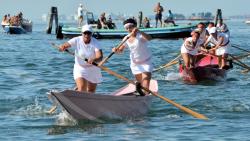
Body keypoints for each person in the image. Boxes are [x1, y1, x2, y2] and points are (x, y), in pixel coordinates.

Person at [112, 18, 153, 94]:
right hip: (135, 64)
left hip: (146, 62)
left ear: (135, 26)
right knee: (140, 84)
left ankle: (146, 96)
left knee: (146, 80)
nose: (129, 30)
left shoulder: (140, 35)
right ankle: (141, 95)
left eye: (130, 27)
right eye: (126, 28)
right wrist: (115, 50)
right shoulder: (126, 38)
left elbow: (150, 38)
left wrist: (139, 31)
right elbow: (120, 50)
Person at [59, 24, 103, 93]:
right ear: (82, 33)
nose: (87, 35)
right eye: (85, 33)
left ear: (91, 34)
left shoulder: (95, 42)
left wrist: (93, 59)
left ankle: (85, 101)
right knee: (82, 89)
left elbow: (100, 57)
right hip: (80, 68)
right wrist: (63, 47)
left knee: (91, 91)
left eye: (89, 33)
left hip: (93, 68)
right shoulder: (76, 40)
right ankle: (76, 93)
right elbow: (66, 45)